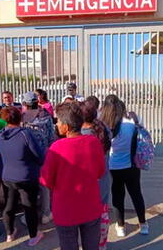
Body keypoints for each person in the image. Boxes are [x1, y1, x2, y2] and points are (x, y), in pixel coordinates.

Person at [40, 103, 105, 250]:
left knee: (68, 245)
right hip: (91, 205)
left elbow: (46, 179)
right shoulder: (94, 142)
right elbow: (100, 171)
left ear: (66, 126)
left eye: (58, 121)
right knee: (92, 246)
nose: (56, 124)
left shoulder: (56, 148)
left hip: (65, 210)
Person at [0, 106, 45, 246]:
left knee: (9, 205)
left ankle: (10, 233)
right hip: (26, 177)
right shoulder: (25, 134)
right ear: (20, 118)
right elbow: (39, 155)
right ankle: (33, 236)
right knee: (29, 206)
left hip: (7, 176)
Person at [100, 95, 149, 237]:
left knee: (117, 195)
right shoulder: (132, 120)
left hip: (113, 166)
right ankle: (143, 224)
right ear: (122, 107)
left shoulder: (103, 124)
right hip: (132, 165)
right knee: (136, 194)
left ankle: (120, 227)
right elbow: (142, 135)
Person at [80, 100, 111, 250]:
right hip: (103, 180)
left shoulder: (80, 134)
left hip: (88, 185)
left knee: (89, 220)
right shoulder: (102, 127)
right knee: (103, 214)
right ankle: (102, 244)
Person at [20, 91, 55, 225]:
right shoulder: (46, 116)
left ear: (25, 104)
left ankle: (28, 214)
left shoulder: (22, 118)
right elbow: (51, 137)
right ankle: (46, 213)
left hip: (27, 156)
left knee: (28, 186)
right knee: (44, 185)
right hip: (43, 154)